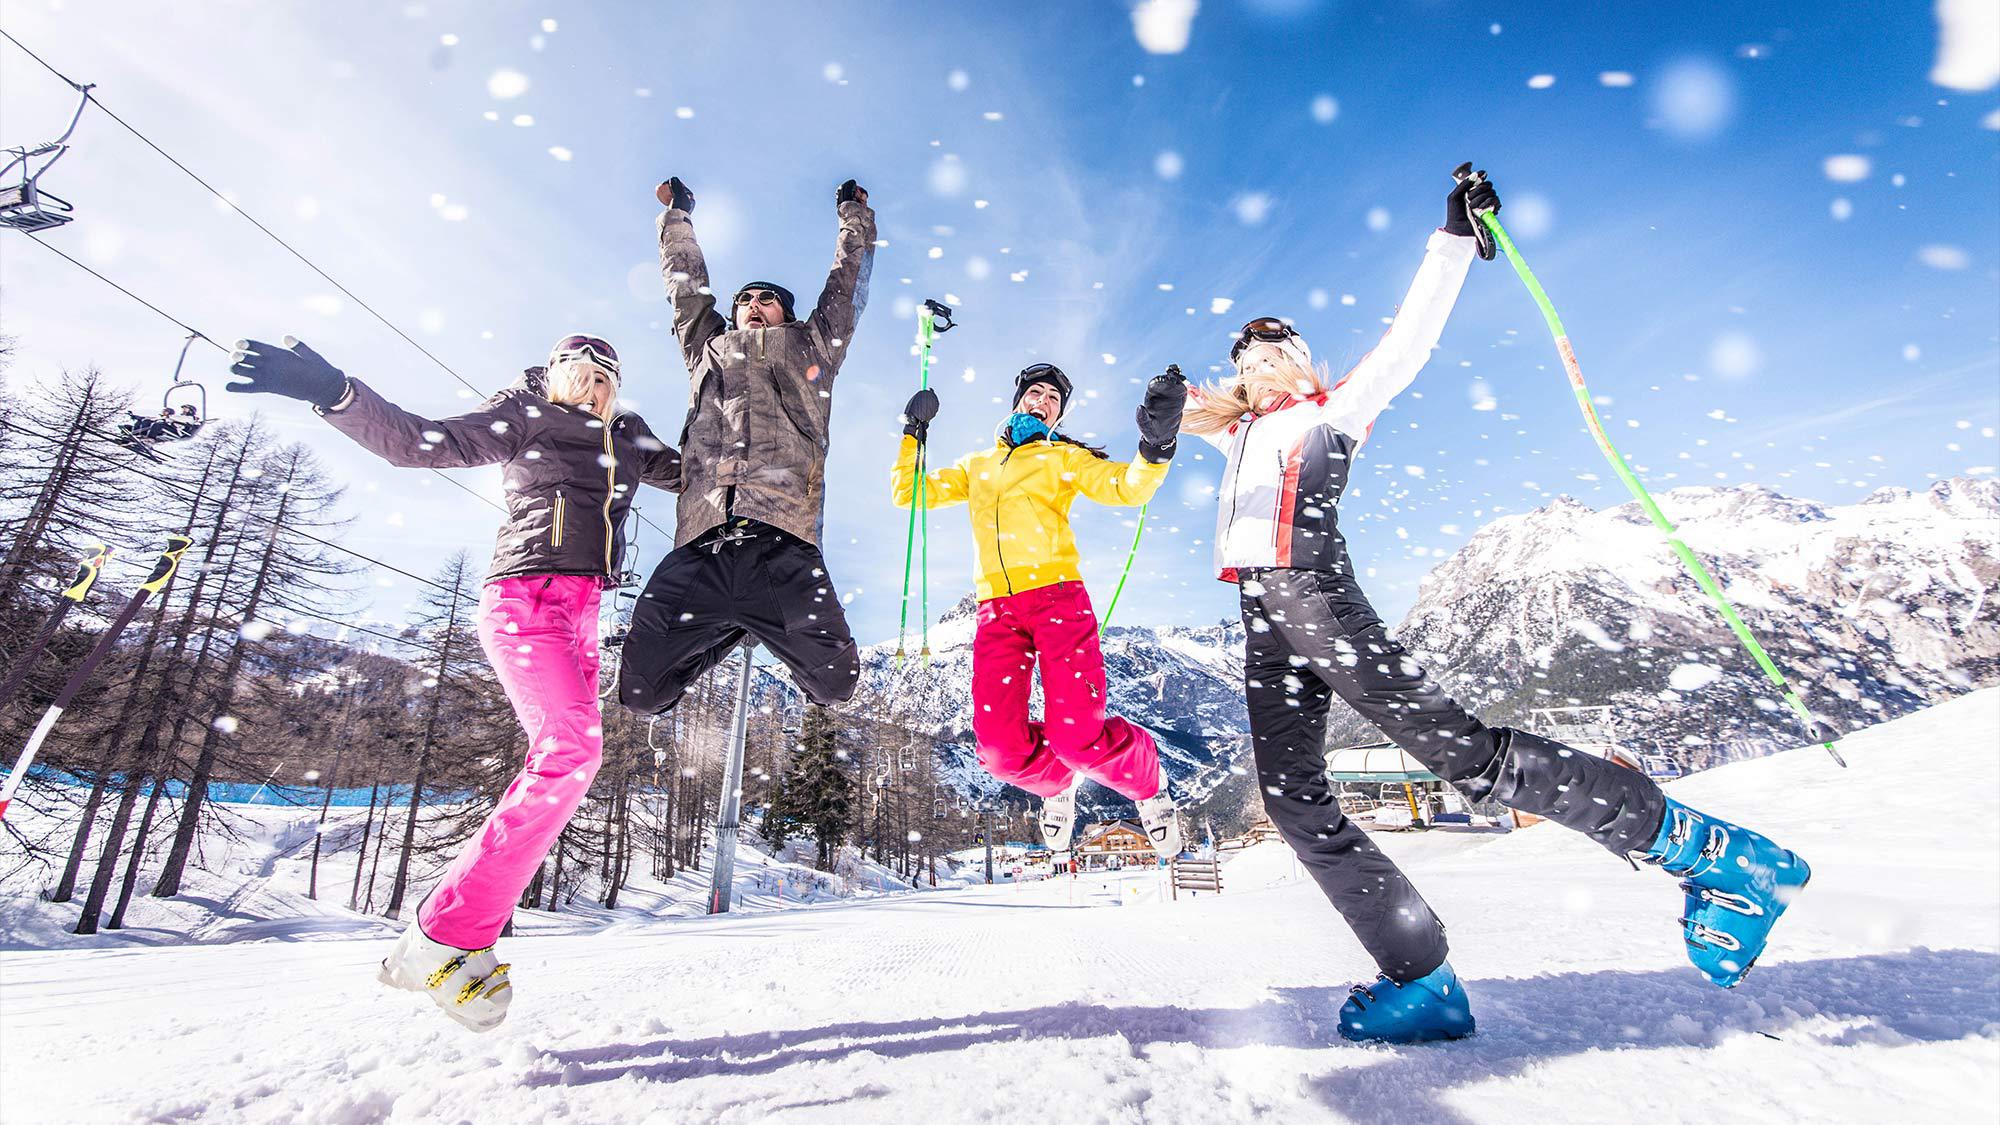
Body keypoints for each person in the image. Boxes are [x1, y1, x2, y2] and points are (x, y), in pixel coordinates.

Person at [1182, 167, 1810, 1044]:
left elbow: (1408, 341)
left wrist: (1453, 242)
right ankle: (1423, 979)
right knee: (1292, 798)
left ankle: (1716, 856)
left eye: (1273, 352)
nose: (1258, 364)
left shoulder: (1334, 410)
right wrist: (1155, 419)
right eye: (1246, 360)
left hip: (1316, 594)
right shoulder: (1239, 434)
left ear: (1299, 362)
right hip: (1264, 618)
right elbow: (1176, 433)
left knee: (1463, 753)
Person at [225, 333, 681, 1031]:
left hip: (585, 613)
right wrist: (336, 393)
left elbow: (700, 472)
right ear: (553, 374)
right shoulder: (525, 414)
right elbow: (419, 442)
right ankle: (450, 932)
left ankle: (453, 933)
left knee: (574, 760)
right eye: (579, 375)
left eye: (603, 381)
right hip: (526, 598)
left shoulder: (627, 436)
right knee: (570, 752)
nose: (590, 390)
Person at [891, 362, 1188, 856]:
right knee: (999, 753)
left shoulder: (1062, 457)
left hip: (1058, 600)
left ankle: (1149, 785)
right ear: (1018, 401)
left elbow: (1127, 486)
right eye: (1036, 392)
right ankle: (1057, 785)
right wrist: (912, 432)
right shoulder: (978, 466)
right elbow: (910, 493)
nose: (1043, 400)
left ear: (1058, 416)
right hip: (996, 611)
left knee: (1078, 739)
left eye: (1053, 398)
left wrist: (1156, 445)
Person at [617, 176, 874, 715]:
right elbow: (685, 288)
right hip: (701, 544)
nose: (755, 305)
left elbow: (846, 284)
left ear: (787, 313)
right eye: (746, 300)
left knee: (835, 685)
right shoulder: (707, 349)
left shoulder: (812, 346)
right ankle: (735, 624)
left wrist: (853, 217)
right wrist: (677, 217)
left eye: (768, 300)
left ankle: (751, 618)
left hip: (782, 543)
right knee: (642, 692)